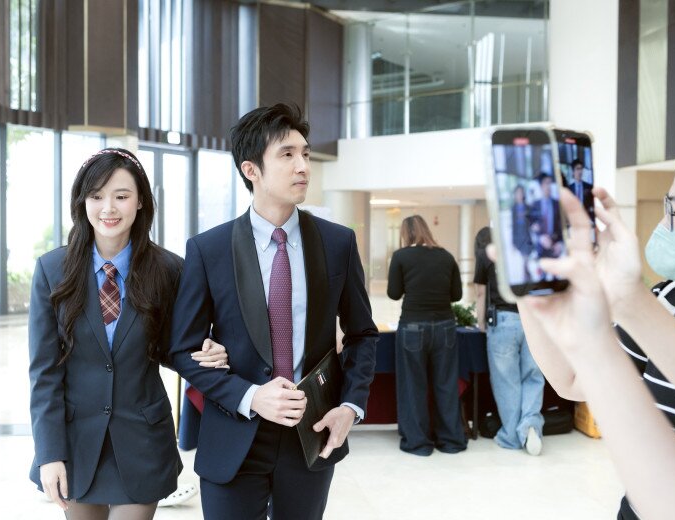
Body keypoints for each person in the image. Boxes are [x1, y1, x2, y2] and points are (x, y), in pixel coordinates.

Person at [168, 104, 378, 520]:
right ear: (251, 170)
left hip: (310, 434)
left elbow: (362, 335)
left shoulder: (337, 243)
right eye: (287, 154)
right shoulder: (209, 249)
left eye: (305, 153)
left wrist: (350, 407)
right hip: (234, 434)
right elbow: (182, 350)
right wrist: (251, 396)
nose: (303, 166)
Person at [28, 148, 228, 519]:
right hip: (76, 443)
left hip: (142, 440)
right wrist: (49, 453)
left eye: (121, 196)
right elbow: (44, 373)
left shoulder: (170, 270)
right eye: (97, 196)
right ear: (82, 201)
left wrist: (208, 349)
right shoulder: (53, 270)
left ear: (140, 202)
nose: (108, 208)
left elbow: (176, 346)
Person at [519, 158, 675, 520]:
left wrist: (631, 300)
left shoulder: (648, 308)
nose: (668, 224)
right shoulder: (669, 298)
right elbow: (573, 381)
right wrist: (526, 289)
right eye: (670, 207)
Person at [387, 215, 465, 456]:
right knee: (446, 384)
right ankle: (451, 441)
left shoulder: (401, 256)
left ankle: (418, 443)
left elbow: (393, 293)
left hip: (413, 326)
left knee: (413, 385)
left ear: (405, 233)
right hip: (445, 326)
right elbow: (457, 295)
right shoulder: (446, 256)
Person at [474, 226, 544, 456]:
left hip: (503, 319)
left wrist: (481, 322)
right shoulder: (532, 250)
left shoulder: (487, 253)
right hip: (534, 319)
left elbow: (480, 293)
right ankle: (531, 426)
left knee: (507, 381)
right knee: (533, 376)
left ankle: (512, 436)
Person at [530, 173, 564, 259]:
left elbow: (562, 225)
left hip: (555, 246)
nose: (549, 186)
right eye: (546, 183)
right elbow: (532, 225)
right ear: (541, 186)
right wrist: (540, 237)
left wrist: (560, 243)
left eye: (550, 183)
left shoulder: (557, 204)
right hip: (541, 247)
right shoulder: (535, 205)